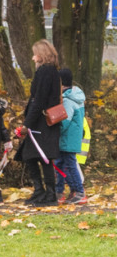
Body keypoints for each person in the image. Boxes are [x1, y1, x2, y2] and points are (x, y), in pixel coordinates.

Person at [15, 39, 62, 206]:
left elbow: (39, 100)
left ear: (41, 55)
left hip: (41, 122)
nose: (33, 58)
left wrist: (27, 124)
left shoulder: (45, 72)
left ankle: (48, 194)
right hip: (44, 122)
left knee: (42, 157)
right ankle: (42, 192)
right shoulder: (53, 72)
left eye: (35, 54)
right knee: (33, 155)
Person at [55, 68, 87, 205]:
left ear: (61, 83)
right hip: (71, 138)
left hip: (67, 138)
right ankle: (60, 191)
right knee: (60, 164)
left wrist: (54, 129)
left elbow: (64, 122)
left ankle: (79, 192)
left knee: (69, 164)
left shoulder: (68, 100)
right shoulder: (76, 96)